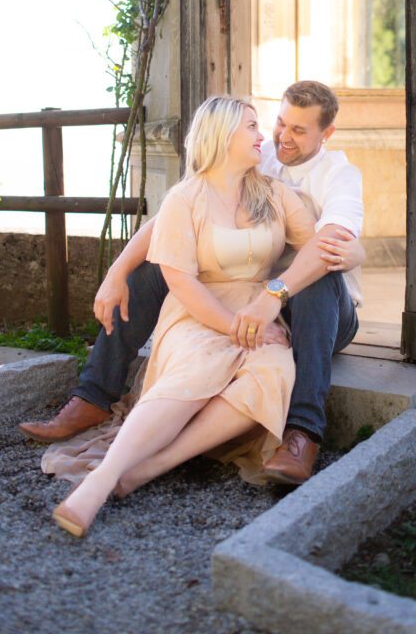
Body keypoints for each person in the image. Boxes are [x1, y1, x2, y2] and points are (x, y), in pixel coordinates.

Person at [20, 80, 365, 485]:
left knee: (316, 279)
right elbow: (173, 216)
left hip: (324, 312)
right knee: (148, 271)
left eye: (299, 130)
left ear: (326, 134)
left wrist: (302, 280)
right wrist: (116, 273)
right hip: (257, 298)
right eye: (279, 123)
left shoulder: (340, 176)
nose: (281, 137)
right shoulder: (261, 152)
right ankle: (93, 395)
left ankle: (303, 432)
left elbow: (329, 245)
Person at [51, 95, 316, 537]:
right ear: (222, 134)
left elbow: (317, 247)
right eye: (251, 127)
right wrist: (233, 328)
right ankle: (99, 481)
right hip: (197, 311)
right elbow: (182, 282)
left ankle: (151, 466)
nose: (261, 136)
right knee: (191, 378)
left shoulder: (273, 192)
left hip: (256, 309)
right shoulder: (184, 199)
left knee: (271, 374)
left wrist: (272, 300)